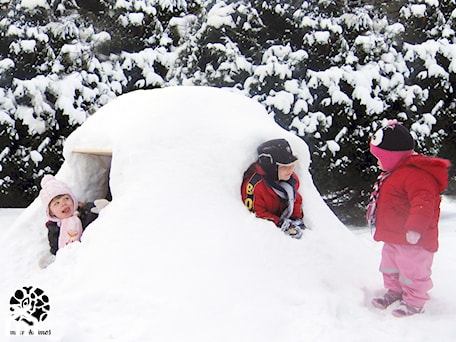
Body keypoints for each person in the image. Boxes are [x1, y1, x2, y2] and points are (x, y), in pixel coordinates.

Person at [366, 119, 451, 317]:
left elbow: (424, 203)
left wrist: (415, 228)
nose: (377, 162)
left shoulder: (415, 175)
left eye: (380, 157)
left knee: (413, 270)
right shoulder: (394, 173)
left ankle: (414, 301)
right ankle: (394, 291)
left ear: (392, 156)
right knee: (389, 265)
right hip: (394, 236)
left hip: (414, 239)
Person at [241, 138, 305, 238]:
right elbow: (256, 214)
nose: (290, 169)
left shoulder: (291, 180)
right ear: (271, 168)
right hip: (265, 235)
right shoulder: (255, 187)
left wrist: (296, 217)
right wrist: (279, 222)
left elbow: (296, 200)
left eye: (292, 165)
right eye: (284, 167)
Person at [39, 175, 109, 260]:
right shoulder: (54, 228)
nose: (63, 203)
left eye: (66, 198)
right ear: (51, 212)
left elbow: (92, 217)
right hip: (71, 260)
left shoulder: (83, 211)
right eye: (57, 203)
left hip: (90, 252)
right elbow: (55, 247)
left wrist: (99, 207)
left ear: (73, 199)